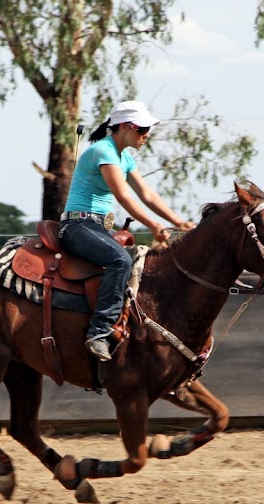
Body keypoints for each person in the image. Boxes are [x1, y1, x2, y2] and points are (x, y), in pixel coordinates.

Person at [59, 100, 196, 362]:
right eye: (143, 129)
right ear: (125, 127)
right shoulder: (103, 151)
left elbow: (147, 194)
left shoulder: (124, 157)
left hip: (96, 227)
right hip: (77, 226)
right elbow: (124, 197)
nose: (146, 135)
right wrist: (154, 225)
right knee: (120, 260)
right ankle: (99, 332)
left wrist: (177, 221)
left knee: (140, 264)